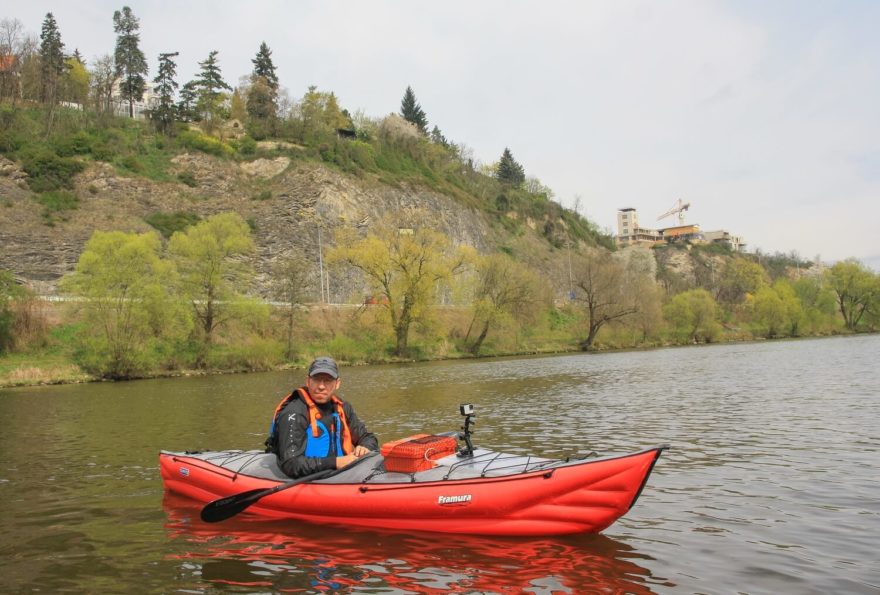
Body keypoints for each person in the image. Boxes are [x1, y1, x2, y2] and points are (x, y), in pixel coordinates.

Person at [265, 356, 378, 478]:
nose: (321, 386)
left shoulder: (343, 408)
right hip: (308, 479)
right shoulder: (294, 412)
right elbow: (291, 463)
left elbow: (368, 437)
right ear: (308, 381)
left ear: (337, 383)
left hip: (339, 476)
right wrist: (337, 462)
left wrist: (365, 447)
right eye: (316, 380)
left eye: (328, 380)